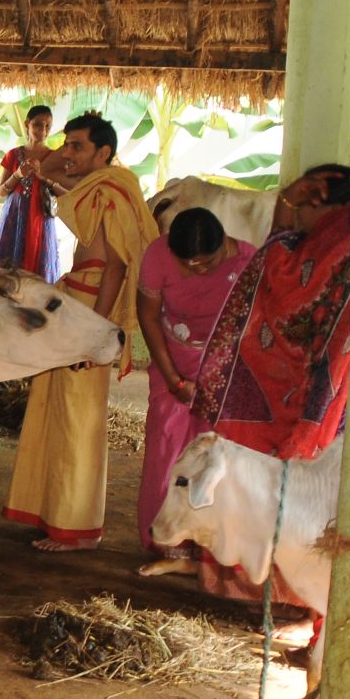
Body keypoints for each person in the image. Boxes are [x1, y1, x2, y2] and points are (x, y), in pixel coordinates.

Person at [186, 162, 350, 608]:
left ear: (319, 201)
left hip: (309, 399)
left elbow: (283, 277)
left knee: (304, 497)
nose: (294, 220)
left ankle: (303, 602)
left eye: (299, 209)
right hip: (326, 395)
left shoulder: (340, 238)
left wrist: (285, 209)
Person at [3, 113, 159, 553]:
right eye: (66, 144)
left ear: (104, 152)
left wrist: (99, 330)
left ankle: (79, 528)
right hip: (74, 300)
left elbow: (117, 265)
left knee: (79, 416)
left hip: (91, 307)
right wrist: (64, 155)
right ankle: (53, 515)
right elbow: (46, 169)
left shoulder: (112, 189)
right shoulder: (95, 184)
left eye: (77, 146)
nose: (66, 153)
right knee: (52, 406)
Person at [134, 209, 255, 575]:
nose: (199, 270)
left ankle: (208, 547)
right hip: (172, 359)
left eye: (208, 263)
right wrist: (174, 380)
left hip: (226, 369)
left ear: (225, 247)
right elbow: (149, 315)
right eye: (189, 264)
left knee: (215, 455)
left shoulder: (248, 261)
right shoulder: (157, 254)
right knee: (166, 447)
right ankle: (166, 539)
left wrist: (214, 382)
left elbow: (248, 328)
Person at [0, 104, 62, 280]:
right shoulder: (13, 155)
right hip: (13, 217)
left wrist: (43, 177)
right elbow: (1, 192)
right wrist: (17, 174)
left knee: (37, 268)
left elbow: (62, 193)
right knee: (6, 271)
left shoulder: (55, 158)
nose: (43, 130)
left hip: (40, 217)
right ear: (27, 124)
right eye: (38, 124)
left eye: (47, 126)